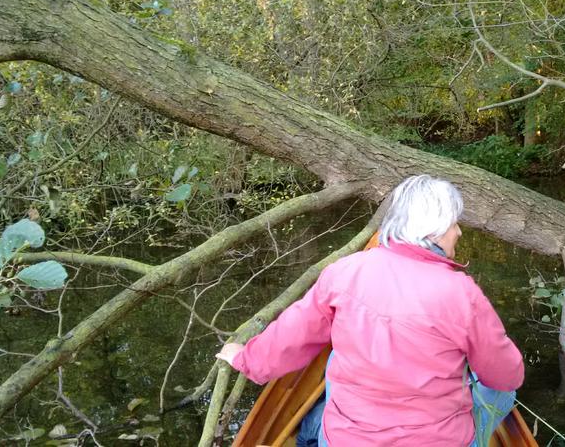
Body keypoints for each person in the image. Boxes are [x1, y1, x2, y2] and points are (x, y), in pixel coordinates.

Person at [216, 175, 525, 446]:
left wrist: (243, 357)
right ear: (434, 231)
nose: (458, 231)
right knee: (502, 393)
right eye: (454, 223)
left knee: (336, 355)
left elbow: (289, 338)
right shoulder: (462, 292)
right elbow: (507, 375)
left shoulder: (344, 272)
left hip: (345, 440)